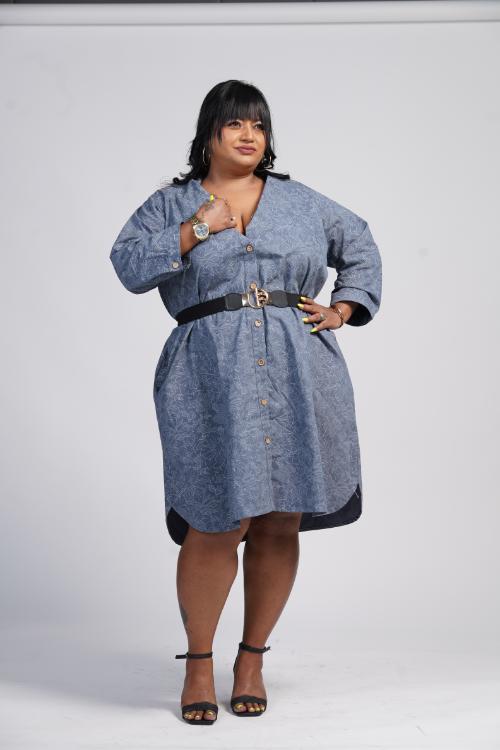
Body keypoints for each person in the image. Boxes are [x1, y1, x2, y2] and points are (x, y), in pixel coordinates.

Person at [109, 79, 382, 725]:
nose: (249, 134)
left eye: (258, 124)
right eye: (235, 123)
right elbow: (128, 265)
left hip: (299, 367)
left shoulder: (302, 201)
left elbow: (361, 245)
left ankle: (252, 659)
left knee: (282, 517)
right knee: (214, 518)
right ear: (209, 134)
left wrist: (344, 307)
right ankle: (199, 664)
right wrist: (194, 230)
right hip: (207, 372)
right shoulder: (171, 204)